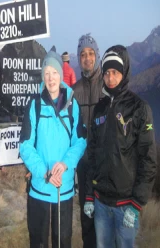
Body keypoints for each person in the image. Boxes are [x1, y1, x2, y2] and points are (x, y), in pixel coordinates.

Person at [84, 45, 157, 248]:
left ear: (123, 73)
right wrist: (90, 195)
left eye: (115, 72)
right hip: (101, 203)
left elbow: (149, 159)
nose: (110, 77)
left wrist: (136, 204)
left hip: (126, 205)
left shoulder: (139, 108)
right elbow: (92, 154)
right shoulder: (100, 109)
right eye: (106, 72)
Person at [19, 47, 87, 248]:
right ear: (43, 76)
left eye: (54, 72)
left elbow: (81, 141)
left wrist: (66, 164)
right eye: (46, 73)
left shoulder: (73, 104)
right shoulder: (35, 105)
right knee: (38, 242)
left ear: (61, 74)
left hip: (63, 189)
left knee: (62, 242)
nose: (51, 78)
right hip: (40, 188)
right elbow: (25, 145)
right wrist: (44, 172)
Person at [72, 33, 103, 248]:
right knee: (87, 220)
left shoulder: (108, 86)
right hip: (84, 167)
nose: (87, 58)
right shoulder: (75, 92)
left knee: (106, 220)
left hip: (106, 167)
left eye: (91, 53)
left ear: (97, 55)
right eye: (83, 54)